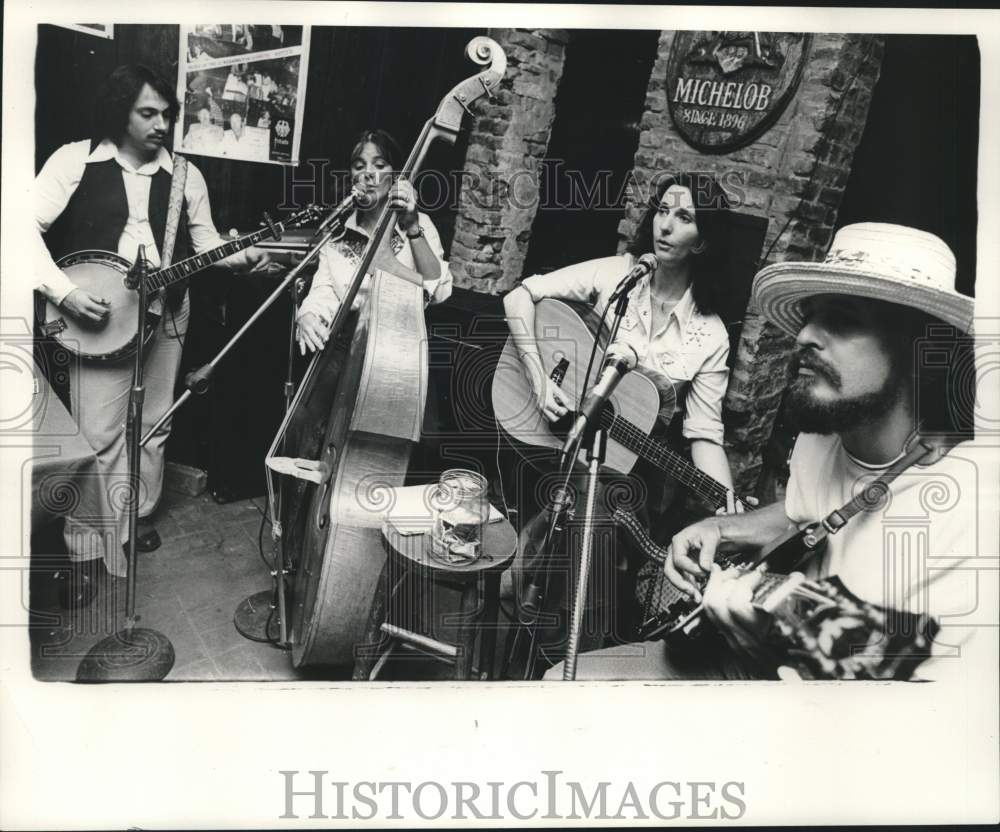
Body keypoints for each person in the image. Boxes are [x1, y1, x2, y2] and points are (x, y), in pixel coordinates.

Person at [554, 222, 996, 682]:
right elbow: (802, 515)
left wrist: (776, 657)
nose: (804, 336)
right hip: (750, 656)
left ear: (916, 351)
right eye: (809, 317)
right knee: (557, 684)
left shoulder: (970, 507)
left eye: (842, 320)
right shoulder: (821, 438)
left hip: (832, 707)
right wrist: (720, 527)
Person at [34, 64, 273, 603]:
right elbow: (16, 226)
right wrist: (63, 292)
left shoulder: (186, 175)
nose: (161, 124)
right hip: (98, 316)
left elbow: (206, 238)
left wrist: (242, 256)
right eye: (148, 113)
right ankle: (88, 549)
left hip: (168, 310)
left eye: (168, 114)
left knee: (155, 421)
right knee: (98, 434)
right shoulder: (76, 160)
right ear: (120, 111)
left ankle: (133, 516)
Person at [502, 172, 740, 669]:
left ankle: (567, 661)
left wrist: (728, 505)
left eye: (684, 217)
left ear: (705, 241)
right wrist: (542, 377)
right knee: (593, 510)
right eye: (662, 211)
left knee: (605, 508)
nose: (666, 227)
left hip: (631, 472)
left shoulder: (710, 333)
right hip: (556, 440)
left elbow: (702, 433)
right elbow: (519, 296)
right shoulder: (618, 275)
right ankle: (557, 652)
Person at [295, 128, 453, 354]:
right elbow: (325, 289)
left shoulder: (420, 223)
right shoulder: (338, 231)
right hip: (347, 350)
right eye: (359, 166)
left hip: (400, 353)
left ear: (395, 176)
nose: (368, 173)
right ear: (351, 176)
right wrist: (308, 314)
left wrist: (413, 227)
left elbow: (439, 292)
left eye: (379, 165)